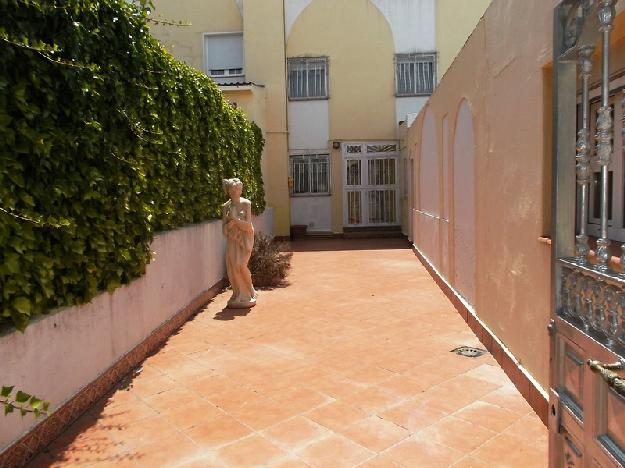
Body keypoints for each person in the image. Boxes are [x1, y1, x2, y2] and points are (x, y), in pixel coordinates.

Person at [222, 178, 257, 308]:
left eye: (237, 189)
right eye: (232, 189)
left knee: (241, 265)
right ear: (228, 191)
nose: (235, 192)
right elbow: (224, 230)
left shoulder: (246, 203)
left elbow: (248, 226)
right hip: (232, 240)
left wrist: (235, 219)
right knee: (232, 268)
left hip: (246, 238)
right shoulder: (226, 207)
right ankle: (238, 294)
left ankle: (250, 291)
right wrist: (231, 223)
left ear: (240, 189)